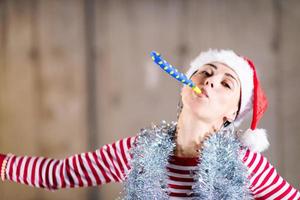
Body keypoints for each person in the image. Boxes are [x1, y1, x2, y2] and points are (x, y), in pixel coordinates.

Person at [0, 49, 299, 199]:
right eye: (205, 72)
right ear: (185, 85)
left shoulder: (246, 164)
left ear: (232, 114)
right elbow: (61, 173)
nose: (210, 80)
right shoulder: (136, 152)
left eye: (226, 83)